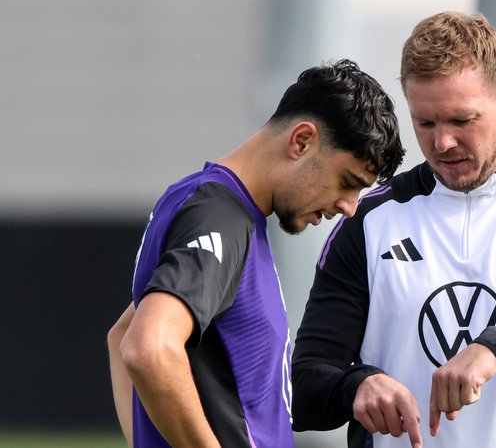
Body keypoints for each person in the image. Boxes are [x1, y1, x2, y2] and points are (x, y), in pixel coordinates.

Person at [291, 12, 496, 448]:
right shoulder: (367, 222)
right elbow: (303, 387)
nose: (442, 142)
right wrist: (356, 388)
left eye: (461, 120)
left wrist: (491, 350)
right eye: (425, 123)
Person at [106, 58, 405, 448]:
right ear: (301, 141)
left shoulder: (219, 209)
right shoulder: (219, 217)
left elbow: (123, 333)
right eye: (347, 182)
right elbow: (147, 347)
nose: (348, 207)